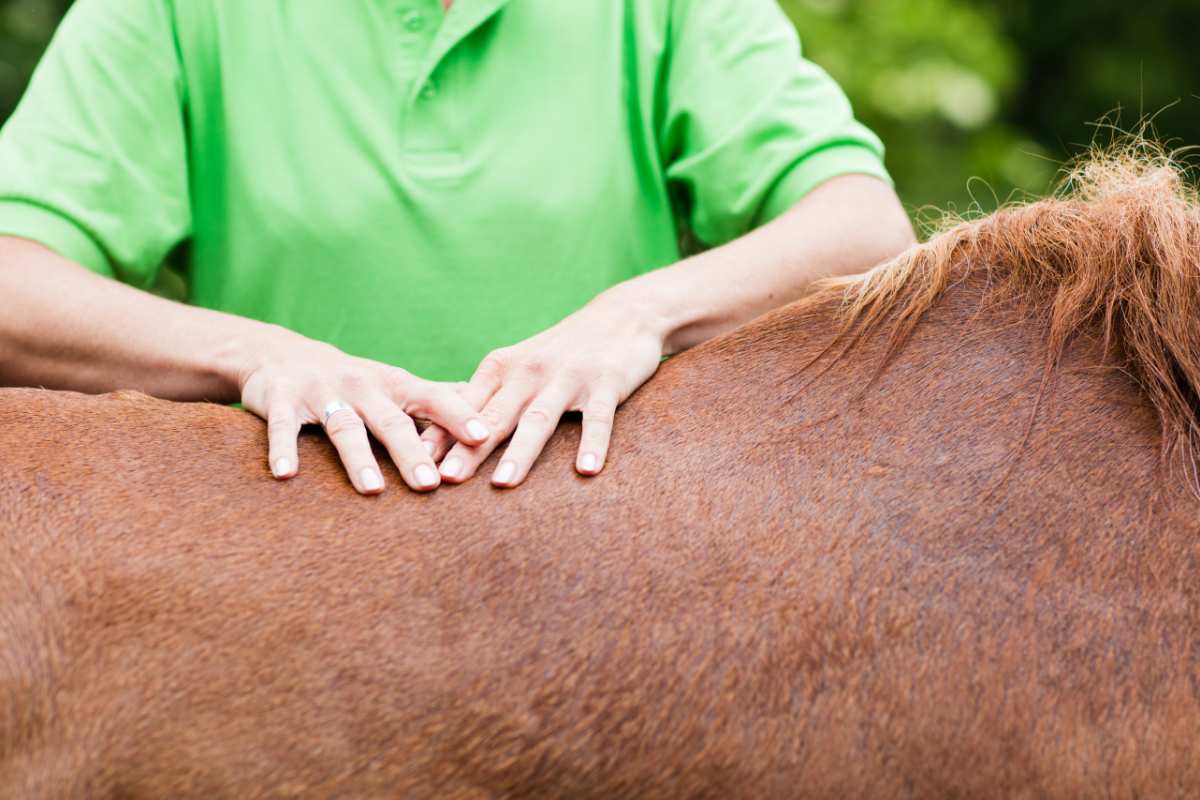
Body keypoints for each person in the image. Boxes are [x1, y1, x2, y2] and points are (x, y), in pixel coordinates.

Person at [0, 0, 915, 496]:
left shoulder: (666, 10)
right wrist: (263, 356)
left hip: (606, 558)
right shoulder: (167, 11)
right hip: (282, 558)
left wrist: (633, 319)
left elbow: (865, 228)